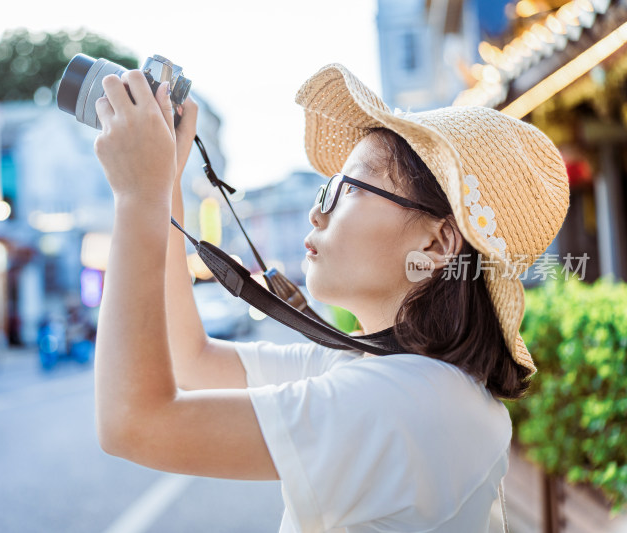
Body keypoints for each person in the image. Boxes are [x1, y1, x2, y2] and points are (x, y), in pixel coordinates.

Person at [90, 64, 570, 532]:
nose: (317, 212)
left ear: (436, 245)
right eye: (327, 189)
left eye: (349, 189)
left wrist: (138, 197)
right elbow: (189, 361)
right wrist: (167, 179)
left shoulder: (409, 401)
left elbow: (134, 424)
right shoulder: (395, 373)